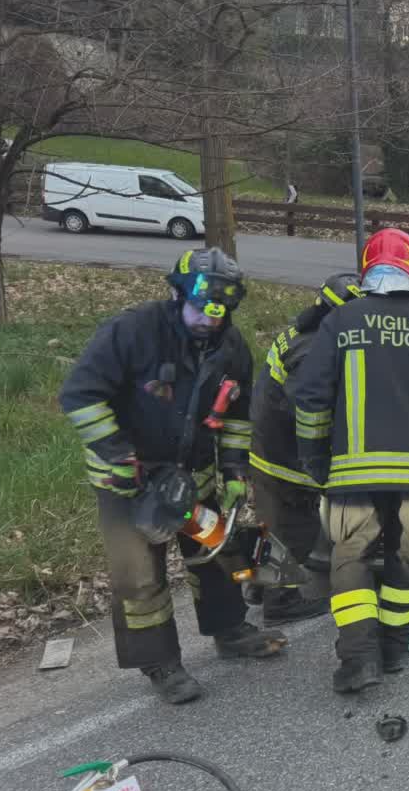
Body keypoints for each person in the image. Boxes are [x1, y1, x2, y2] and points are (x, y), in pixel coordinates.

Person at [58, 247, 290, 705]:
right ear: (177, 295)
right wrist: (119, 454)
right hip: (128, 484)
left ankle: (230, 631)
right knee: (140, 577)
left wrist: (234, 470)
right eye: (199, 309)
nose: (207, 320)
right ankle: (160, 662)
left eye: (218, 312)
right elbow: (80, 395)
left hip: (193, 477)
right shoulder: (133, 331)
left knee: (214, 554)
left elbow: (239, 416)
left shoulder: (231, 348)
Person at [291, 229, 409, 694]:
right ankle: (396, 646)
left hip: (352, 474)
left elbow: (311, 397)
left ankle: (359, 658)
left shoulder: (340, 322)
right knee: (407, 558)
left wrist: (315, 458)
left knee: (350, 557)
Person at [243, 273, 364, 625]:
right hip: (285, 457)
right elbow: (309, 411)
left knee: (270, 523)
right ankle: (281, 602)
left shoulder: (299, 332)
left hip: (265, 445)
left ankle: (259, 585)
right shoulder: (313, 352)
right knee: (298, 528)